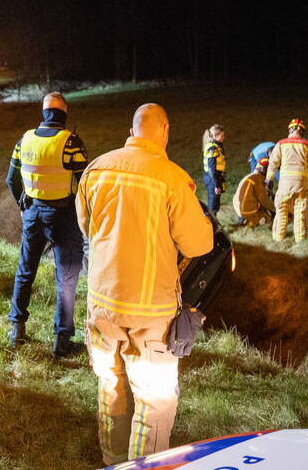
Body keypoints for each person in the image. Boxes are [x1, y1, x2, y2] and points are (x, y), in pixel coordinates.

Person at [77, 103, 213, 465]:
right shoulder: (170, 178)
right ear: (165, 130)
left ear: (132, 128)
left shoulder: (96, 169)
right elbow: (200, 244)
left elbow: (86, 227)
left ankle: (113, 460)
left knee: (111, 388)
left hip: (102, 302)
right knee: (155, 402)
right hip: (151, 311)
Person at [5, 92, 88, 357]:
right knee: (66, 277)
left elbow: (11, 179)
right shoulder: (70, 142)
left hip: (32, 213)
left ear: (44, 112)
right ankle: (61, 341)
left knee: (25, 271)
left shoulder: (25, 139)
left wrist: (24, 202)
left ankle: (16, 330)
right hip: (63, 216)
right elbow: (85, 182)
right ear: (64, 112)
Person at [266, 118, 308, 242]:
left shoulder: (281, 143)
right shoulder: (307, 145)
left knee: (282, 210)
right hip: (301, 184)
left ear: (290, 129)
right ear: (302, 131)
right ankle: (300, 240)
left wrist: (269, 179)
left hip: (285, 184)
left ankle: (278, 238)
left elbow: (273, 163)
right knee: (300, 212)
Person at [232, 164, 274, 228]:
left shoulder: (250, 176)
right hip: (246, 210)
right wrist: (273, 207)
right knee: (268, 219)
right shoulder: (258, 179)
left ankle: (244, 219)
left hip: (238, 205)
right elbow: (263, 199)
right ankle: (250, 221)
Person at [201, 124, 227, 215]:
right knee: (212, 206)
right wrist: (216, 185)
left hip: (215, 178)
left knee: (215, 205)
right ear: (215, 136)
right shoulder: (212, 148)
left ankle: (213, 225)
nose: (224, 137)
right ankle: (209, 226)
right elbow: (211, 169)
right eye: (222, 135)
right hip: (212, 179)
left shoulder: (217, 146)